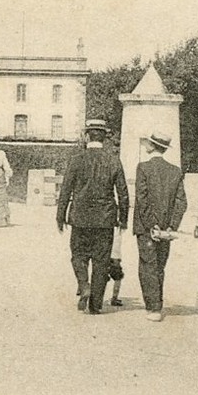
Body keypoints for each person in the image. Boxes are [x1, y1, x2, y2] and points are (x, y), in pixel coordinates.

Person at [56, 118, 129, 315]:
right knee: (101, 261)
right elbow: (123, 192)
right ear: (104, 138)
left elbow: (66, 190)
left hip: (80, 217)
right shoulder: (113, 160)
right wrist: (124, 219)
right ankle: (96, 305)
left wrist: (60, 216)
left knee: (78, 256)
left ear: (87, 136)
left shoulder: (76, 159)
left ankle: (83, 284)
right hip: (105, 219)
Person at [131, 132, 188, 322]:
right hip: (166, 229)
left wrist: (151, 224)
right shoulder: (175, 171)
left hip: (147, 228)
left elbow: (142, 199)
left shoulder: (143, 167)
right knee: (160, 266)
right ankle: (157, 303)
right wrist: (171, 226)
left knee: (148, 265)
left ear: (152, 146)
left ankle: (154, 308)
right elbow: (181, 202)